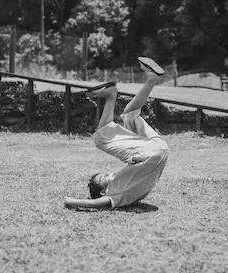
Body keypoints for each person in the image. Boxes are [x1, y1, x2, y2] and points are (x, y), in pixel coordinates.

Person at [64, 57, 171, 210]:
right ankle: (111, 95)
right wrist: (71, 201)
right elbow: (97, 203)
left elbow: (139, 175)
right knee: (101, 139)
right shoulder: (113, 192)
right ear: (102, 190)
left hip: (160, 149)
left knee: (130, 115)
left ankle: (152, 80)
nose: (108, 173)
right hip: (151, 154)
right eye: (102, 177)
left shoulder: (125, 186)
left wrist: (135, 161)